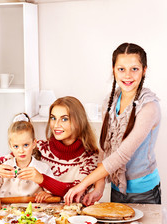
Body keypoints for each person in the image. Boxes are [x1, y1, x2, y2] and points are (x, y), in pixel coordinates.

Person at [64, 43, 161, 205]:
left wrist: (83, 185)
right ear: (113, 69)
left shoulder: (149, 107)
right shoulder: (109, 103)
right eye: (121, 69)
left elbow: (122, 154)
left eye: (134, 69)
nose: (128, 75)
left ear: (144, 70)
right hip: (117, 190)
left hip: (145, 193)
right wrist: (99, 187)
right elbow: (105, 150)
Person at [0, 97, 101, 204]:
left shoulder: (90, 158)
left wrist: (43, 181)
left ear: (78, 122)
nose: (56, 125)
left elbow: (73, 192)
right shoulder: (39, 147)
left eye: (64, 119)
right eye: (53, 118)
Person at [0, 113, 54, 209]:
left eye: (26, 145)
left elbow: (53, 189)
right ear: (10, 146)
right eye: (16, 146)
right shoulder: (5, 167)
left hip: (33, 213)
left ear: (34, 143)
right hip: (6, 212)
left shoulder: (43, 168)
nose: (21, 150)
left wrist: (47, 194)